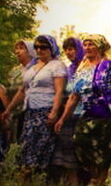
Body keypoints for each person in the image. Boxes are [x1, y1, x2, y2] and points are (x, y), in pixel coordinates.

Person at [55, 34, 111, 186]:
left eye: (91, 44)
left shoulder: (109, 66)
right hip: (89, 112)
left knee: (105, 149)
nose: (88, 47)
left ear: (100, 46)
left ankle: (99, 184)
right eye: (86, 45)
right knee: (80, 142)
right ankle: (94, 177)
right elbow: (74, 96)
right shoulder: (82, 69)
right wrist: (62, 118)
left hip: (110, 114)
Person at [2, 35, 66, 175]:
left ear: (51, 48)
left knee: (41, 143)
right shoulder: (32, 66)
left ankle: (37, 176)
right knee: (26, 142)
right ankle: (25, 175)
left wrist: (54, 112)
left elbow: (59, 91)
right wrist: (8, 109)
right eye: (36, 47)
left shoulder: (57, 65)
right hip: (29, 110)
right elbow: (23, 90)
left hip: (45, 109)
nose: (39, 50)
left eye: (43, 47)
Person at [49, 37, 85, 184]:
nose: (69, 52)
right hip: (69, 113)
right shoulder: (68, 70)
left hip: (84, 113)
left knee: (82, 150)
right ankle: (72, 183)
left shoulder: (87, 67)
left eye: (71, 49)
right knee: (67, 148)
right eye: (66, 50)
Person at [4, 41, 37, 147]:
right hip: (14, 112)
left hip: (31, 112)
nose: (17, 51)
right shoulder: (15, 71)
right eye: (16, 48)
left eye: (22, 48)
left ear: (30, 51)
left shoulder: (37, 69)